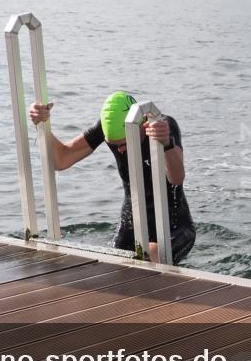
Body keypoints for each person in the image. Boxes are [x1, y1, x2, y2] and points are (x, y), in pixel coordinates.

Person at [29, 91, 195, 264]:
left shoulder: (162, 126)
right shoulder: (106, 127)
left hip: (173, 226)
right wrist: (42, 124)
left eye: (124, 143)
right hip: (133, 221)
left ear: (141, 125)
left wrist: (166, 143)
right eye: (113, 145)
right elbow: (62, 160)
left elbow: (176, 178)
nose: (120, 150)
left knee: (148, 262)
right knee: (114, 267)